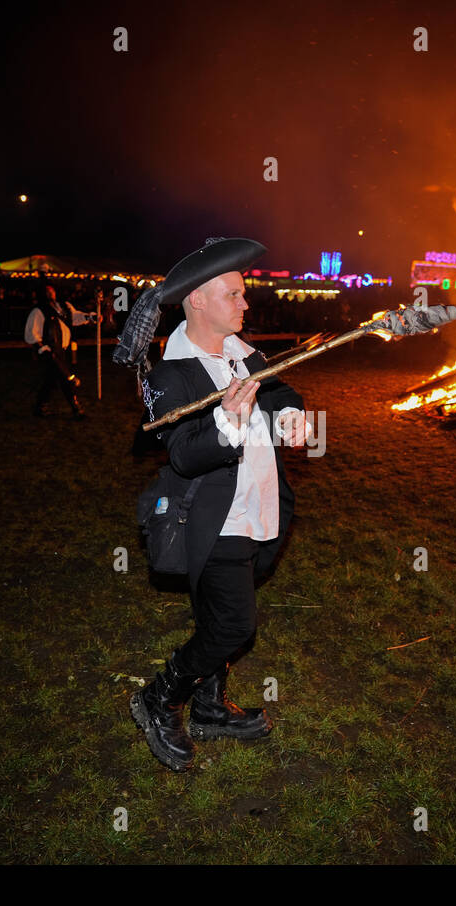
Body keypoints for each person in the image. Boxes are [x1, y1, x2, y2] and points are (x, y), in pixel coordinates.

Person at [129, 238, 311, 772]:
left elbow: (280, 391)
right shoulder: (169, 375)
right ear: (198, 302)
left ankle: (209, 708)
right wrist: (228, 421)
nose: (245, 304)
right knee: (234, 626)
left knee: (218, 615)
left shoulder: (242, 352)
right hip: (215, 520)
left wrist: (289, 416)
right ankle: (160, 697)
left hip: (262, 506)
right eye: (234, 294)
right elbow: (185, 456)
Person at [24, 283, 93, 419]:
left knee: (51, 380)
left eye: (51, 290)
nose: (50, 293)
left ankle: (40, 407)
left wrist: (89, 317)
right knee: (65, 378)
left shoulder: (63, 306)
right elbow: (31, 333)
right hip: (50, 352)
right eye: (46, 291)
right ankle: (76, 408)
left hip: (62, 350)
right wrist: (43, 348)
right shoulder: (39, 311)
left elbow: (75, 317)